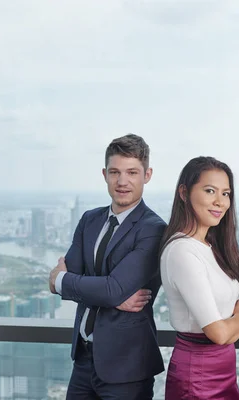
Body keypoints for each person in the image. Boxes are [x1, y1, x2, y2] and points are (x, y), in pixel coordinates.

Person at [48, 134, 166, 399]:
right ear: (104, 174)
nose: (122, 181)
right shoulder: (89, 220)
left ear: (147, 175)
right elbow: (108, 291)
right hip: (83, 361)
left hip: (127, 368)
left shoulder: (153, 229)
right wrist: (112, 297)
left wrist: (63, 281)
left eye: (132, 172)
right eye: (115, 172)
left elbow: (106, 288)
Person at [159, 156, 239, 400]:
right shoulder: (182, 251)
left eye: (226, 193)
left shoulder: (210, 247)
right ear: (184, 193)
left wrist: (232, 326)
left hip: (223, 368)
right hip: (196, 374)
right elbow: (219, 333)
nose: (220, 202)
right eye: (210, 191)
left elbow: (226, 333)